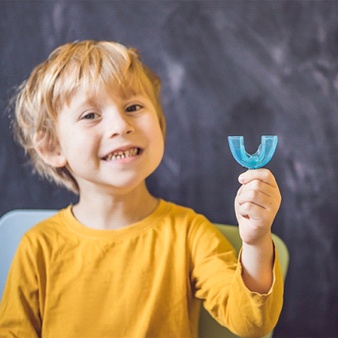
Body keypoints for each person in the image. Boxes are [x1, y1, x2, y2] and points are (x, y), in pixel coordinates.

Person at [0, 40, 283, 337]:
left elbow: (253, 323)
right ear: (51, 146)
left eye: (133, 107)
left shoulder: (189, 234)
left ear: (160, 126)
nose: (120, 125)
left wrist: (255, 241)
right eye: (90, 115)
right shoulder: (37, 247)